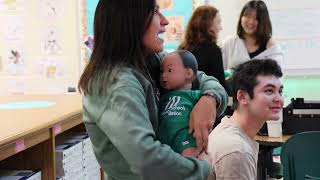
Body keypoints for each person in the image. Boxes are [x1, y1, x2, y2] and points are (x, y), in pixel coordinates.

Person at [78, 0, 228, 179]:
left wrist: (209, 99)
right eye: (156, 12)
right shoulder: (116, 84)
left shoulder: (152, 60)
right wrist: (204, 170)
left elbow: (204, 79)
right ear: (132, 20)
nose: (165, 21)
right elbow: (147, 160)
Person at [206, 59, 283, 180]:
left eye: (280, 91)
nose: (279, 99)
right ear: (242, 97)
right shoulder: (237, 151)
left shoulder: (227, 129)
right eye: (269, 91)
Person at [158, 50, 223, 158]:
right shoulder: (162, 97)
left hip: (186, 139)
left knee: (189, 159)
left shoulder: (196, 95)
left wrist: (210, 98)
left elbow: (212, 85)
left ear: (188, 73)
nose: (163, 75)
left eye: (169, 70)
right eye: (161, 71)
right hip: (162, 142)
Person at [222, 0, 284, 71]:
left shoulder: (271, 46)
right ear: (241, 17)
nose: (251, 22)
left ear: (263, 21)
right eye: (248, 16)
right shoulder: (229, 43)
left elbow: (277, 76)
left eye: (256, 18)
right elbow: (219, 74)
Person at [178, 5, 226, 90]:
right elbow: (219, 86)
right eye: (218, 22)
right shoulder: (213, 50)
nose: (220, 28)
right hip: (205, 99)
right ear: (207, 24)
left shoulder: (182, 48)